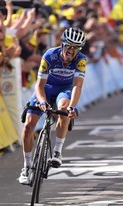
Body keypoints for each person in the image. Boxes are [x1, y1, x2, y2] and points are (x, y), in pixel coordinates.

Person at [19, 27, 87, 185]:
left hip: (65, 90)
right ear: (62, 44)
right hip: (46, 89)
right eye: (69, 46)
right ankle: (27, 167)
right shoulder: (50, 55)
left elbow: (77, 85)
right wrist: (42, 102)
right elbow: (39, 84)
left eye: (76, 48)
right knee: (28, 125)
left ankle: (57, 152)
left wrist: (73, 107)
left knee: (64, 109)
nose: (72, 51)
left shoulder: (81, 60)